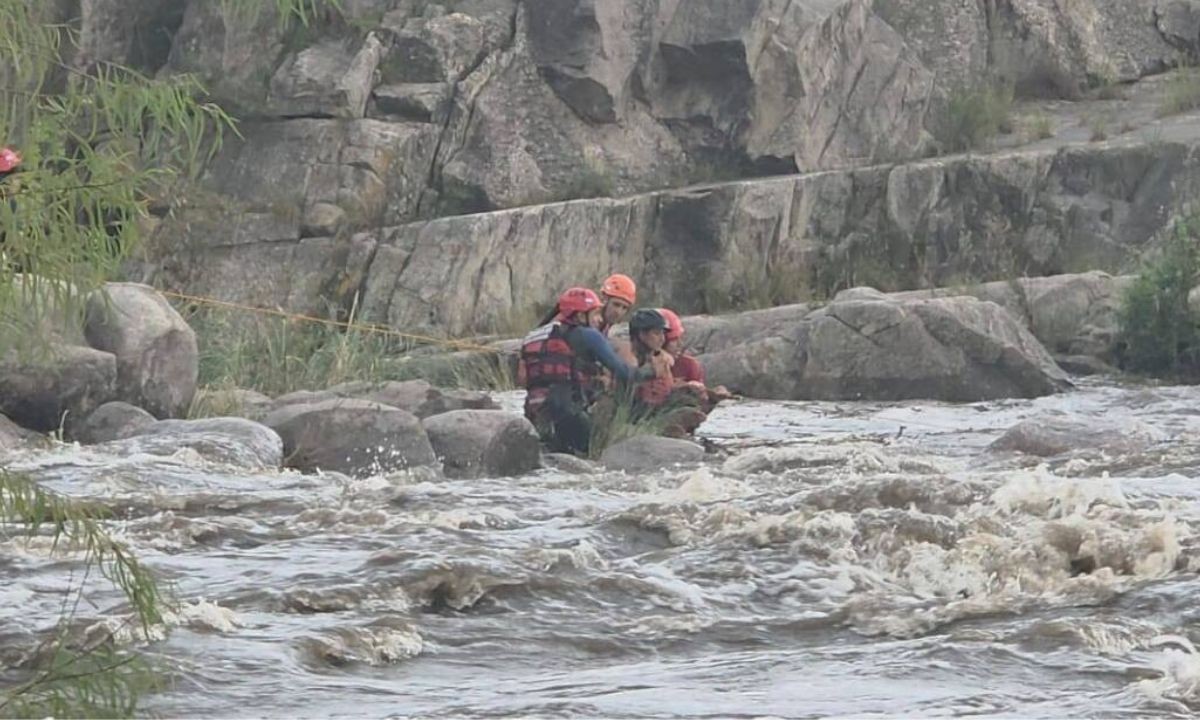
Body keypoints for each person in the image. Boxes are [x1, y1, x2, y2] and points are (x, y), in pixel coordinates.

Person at [521, 287, 672, 455]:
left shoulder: (534, 335)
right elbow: (625, 373)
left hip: (534, 413)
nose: (598, 319)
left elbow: (522, 379)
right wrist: (652, 371)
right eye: (595, 313)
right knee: (604, 451)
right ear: (580, 316)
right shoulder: (588, 335)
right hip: (568, 416)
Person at [627, 308, 710, 438]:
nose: (661, 339)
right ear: (642, 335)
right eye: (657, 333)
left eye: (663, 334)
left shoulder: (685, 364)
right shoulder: (629, 355)